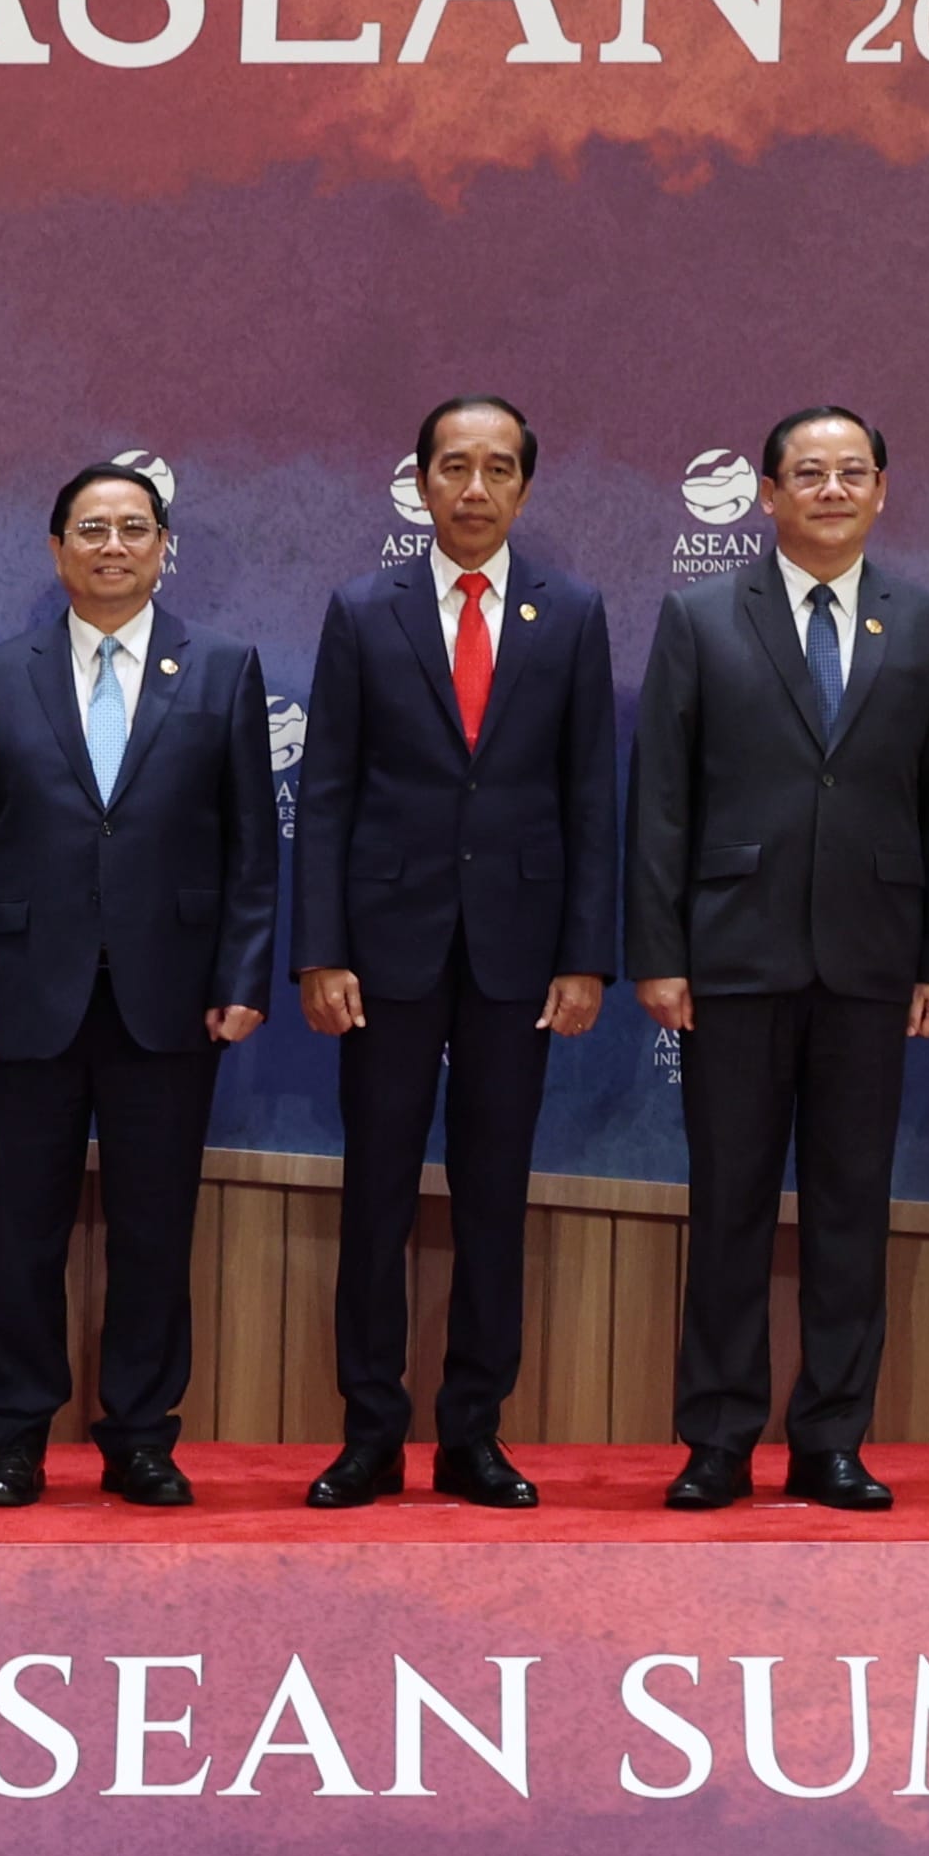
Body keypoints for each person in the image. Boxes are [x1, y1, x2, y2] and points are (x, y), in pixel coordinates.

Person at [628, 406, 929, 1513]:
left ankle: (831, 1438)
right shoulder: (697, 615)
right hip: (730, 957)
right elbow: (661, 801)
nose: (831, 489)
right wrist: (657, 951)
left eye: (852, 472)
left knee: (847, 1208)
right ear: (767, 495)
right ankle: (718, 1440)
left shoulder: (923, 622)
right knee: (726, 1205)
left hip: (872, 962)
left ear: (881, 491)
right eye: (807, 473)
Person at [0, 462, 282, 1509]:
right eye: (91, 529)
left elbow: (252, 847)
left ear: (164, 546)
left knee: (153, 1228)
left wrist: (242, 974)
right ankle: (12, 1437)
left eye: (135, 529)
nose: (113, 546)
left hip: (170, 996)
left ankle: (140, 1435)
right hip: (26, 992)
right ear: (56, 551)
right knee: (22, 1230)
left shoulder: (221, 668)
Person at [293, 396, 617, 1511]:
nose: (472, 488)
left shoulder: (569, 613)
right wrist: (319, 949)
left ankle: (472, 1433)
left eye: (496, 469)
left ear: (524, 486)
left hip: (518, 957)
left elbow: (588, 795)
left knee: (492, 1197)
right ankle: (370, 1432)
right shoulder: (360, 609)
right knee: (375, 1194)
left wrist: (585, 956)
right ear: (419, 483)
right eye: (452, 468)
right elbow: (326, 789)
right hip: (382, 951)